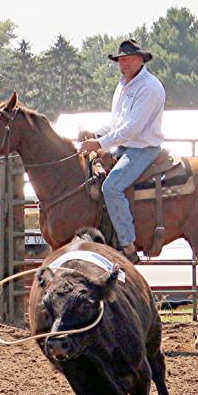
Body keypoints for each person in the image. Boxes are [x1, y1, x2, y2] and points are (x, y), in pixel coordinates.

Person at [78, 39, 165, 263]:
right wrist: (96, 134)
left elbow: (131, 129)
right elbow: (117, 124)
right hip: (126, 146)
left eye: (127, 60)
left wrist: (99, 144)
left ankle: (127, 245)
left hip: (143, 148)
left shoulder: (150, 87)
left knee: (112, 187)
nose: (123, 64)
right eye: (120, 60)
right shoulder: (123, 85)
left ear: (140, 60)